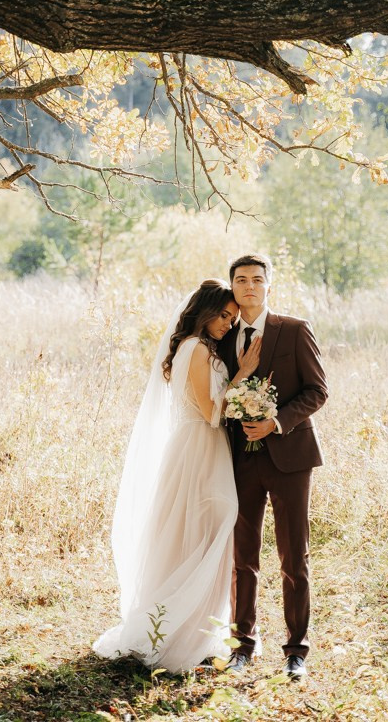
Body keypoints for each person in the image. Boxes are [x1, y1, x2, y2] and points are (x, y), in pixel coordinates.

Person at [93, 279, 262, 674]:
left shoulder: (198, 348)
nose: (227, 323)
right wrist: (245, 375)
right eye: (222, 315)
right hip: (199, 446)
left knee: (198, 534)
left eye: (232, 318)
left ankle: (195, 629)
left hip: (202, 447)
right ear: (203, 311)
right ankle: (179, 632)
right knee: (211, 528)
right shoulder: (197, 348)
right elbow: (210, 412)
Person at [220, 254, 328, 682]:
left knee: (292, 556)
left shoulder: (295, 330)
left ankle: (296, 651)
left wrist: (276, 421)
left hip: (290, 460)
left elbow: (318, 391)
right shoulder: (223, 339)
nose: (250, 286)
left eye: (257, 280)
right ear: (232, 287)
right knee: (242, 558)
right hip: (239, 462)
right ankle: (242, 647)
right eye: (242, 280)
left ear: (269, 286)